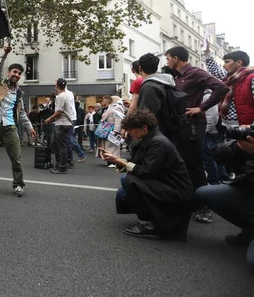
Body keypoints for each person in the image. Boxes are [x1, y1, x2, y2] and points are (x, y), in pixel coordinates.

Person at [103, 109, 193, 240]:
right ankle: (151, 217)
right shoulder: (149, 138)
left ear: (144, 127)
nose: (130, 133)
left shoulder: (158, 142)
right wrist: (116, 161)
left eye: (131, 130)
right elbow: (137, 166)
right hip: (167, 184)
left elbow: (145, 171)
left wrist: (118, 161)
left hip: (177, 191)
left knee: (129, 180)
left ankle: (148, 224)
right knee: (123, 189)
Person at [165, 46, 229, 224]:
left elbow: (221, 87)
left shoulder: (195, 72)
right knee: (182, 164)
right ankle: (189, 201)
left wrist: (201, 108)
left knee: (195, 166)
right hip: (179, 126)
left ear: (176, 58)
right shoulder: (175, 77)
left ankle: (204, 206)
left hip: (192, 125)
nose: (167, 61)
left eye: (168, 58)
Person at [0, 45, 36, 197]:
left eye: (19, 73)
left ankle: (18, 184)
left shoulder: (18, 93)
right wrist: (4, 55)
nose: (16, 75)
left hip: (10, 126)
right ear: (9, 73)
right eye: (14, 72)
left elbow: (22, 113)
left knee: (16, 157)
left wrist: (29, 127)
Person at [196, 133, 254, 266]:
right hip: (249, 190)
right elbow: (219, 155)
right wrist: (236, 147)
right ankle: (250, 230)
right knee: (203, 193)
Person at [203, 49, 254, 126]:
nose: (224, 65)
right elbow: (214, 70)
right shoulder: (229, 77)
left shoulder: (251, 78)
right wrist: (207, 52)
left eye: (227, 62)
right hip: (225, 125)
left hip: (244, 126)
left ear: (239, 62)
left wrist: (251, 127)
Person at [136, 53, 177, 140]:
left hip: (156, 134)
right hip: (168, 131)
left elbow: (146, 114)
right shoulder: (165, 83)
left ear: (140, 68)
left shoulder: (149, 87)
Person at [45, 79, 76, 174]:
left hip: (62, 123)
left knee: (61, 146)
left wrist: (49, 119)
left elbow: (59, 112)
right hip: (64, 123)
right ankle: (60, 163)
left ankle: (62, 166)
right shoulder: (68, 94)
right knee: (54, 142)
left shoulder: (61, 96)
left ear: (56, 86)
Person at [97, 96, 125, 168]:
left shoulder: (117, 107)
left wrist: (116, 130)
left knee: (112, 146)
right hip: (108, 128)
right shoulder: (111, 107)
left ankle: (114, 162)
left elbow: (118, 119)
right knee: (107, 146)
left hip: (112, 128)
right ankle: (109, 160)